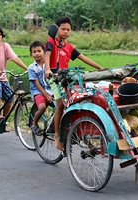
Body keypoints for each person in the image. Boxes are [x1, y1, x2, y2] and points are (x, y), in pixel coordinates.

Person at [45, 16, 103, 150]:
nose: (66, 32)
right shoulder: (51, 41)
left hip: (67, 77)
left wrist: (101, 69)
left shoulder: (69, 47)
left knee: (79, 98)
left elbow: (84, 58)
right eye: (63, 29)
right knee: (60, 104)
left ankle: (75, 129)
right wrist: (47, 69)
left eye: (68, 30)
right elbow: (47, 54)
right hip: (54, 76)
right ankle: (57, 136)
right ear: (56, 29)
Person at [28, 41, 54, 136]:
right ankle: (34, 123)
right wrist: (46, 96)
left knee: (59, 105)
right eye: (34, 52)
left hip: (50, 89)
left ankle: (53, 126)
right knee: (42, 107)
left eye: (39, 51)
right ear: (31, 54)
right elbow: (37, 84)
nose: (37, 53)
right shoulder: (32, 68)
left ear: (44, 52)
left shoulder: (49, 64)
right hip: (38, 91)